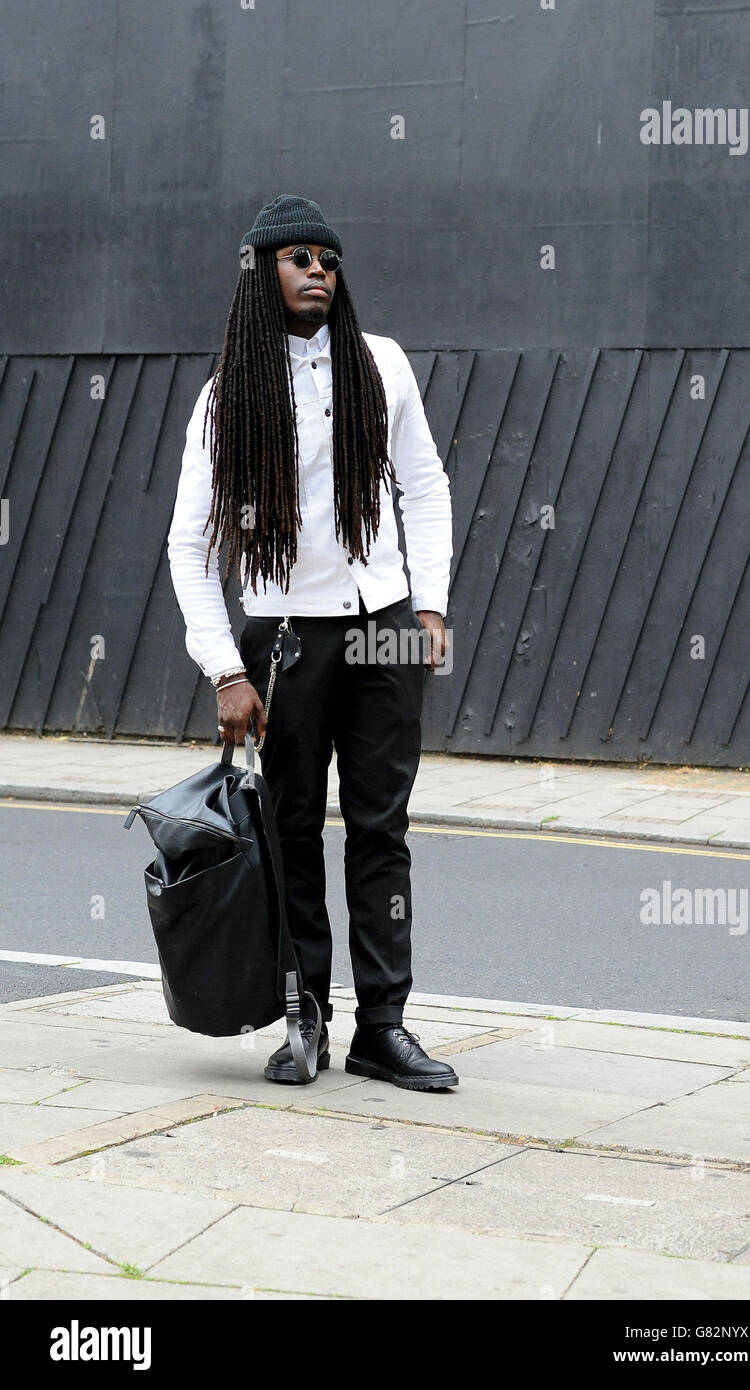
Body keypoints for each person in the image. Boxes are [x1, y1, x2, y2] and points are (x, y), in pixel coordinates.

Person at [167, 193, 457, 1091]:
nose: (318, 271)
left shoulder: (384, 366)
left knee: (381, 829)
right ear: (261, 275)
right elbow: (189, 543)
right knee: (291, 831)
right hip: (285, 638)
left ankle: (384, 1026)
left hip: (386, 628)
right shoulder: (228, 400)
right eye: (297, 258)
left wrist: (432, 609)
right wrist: (224, 669)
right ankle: (306, 1020)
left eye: (327, 258)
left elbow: (426, 485)